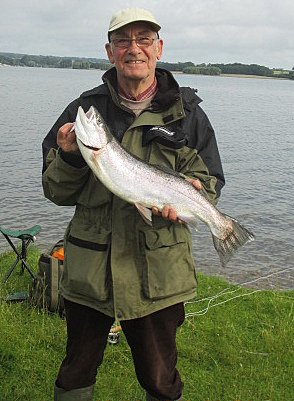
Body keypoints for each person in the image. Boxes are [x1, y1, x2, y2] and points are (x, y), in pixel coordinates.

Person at [42, 7, 225, 401]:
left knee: (161, 379)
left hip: (159, 272)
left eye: (144, 39)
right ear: (109, 52)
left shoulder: (188, 115)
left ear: (159, 49)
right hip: (90, 270)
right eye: (123, 41)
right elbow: (54, 191)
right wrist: (73, 156)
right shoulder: (85, 110)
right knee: (75, 371)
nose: (134, 49)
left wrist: (198, 196)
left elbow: (211, 181)